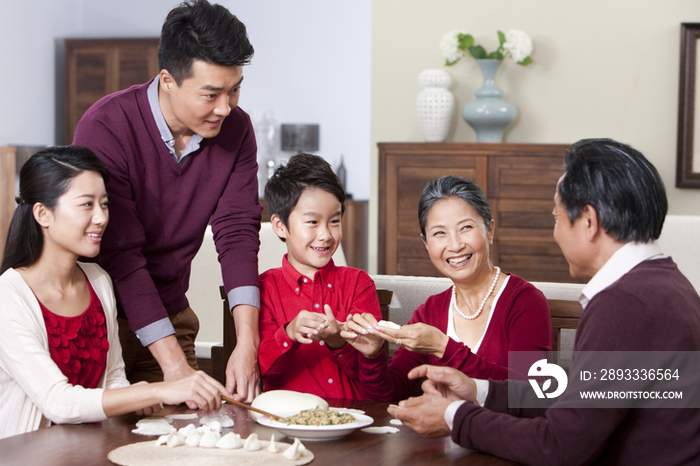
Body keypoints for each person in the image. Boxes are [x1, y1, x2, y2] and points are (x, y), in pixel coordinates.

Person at [388, 139, 700, 465]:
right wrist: (481, 392)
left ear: (589, 222)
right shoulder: (666, 286)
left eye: (557, 218)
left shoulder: (623, 305)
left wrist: (455, 416)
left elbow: (560, 446)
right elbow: (582, 400)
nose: (556, 233)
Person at [72, 0, 262, 401]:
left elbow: (238, 232)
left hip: (173, 317)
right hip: (102, 324)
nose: (225, 108)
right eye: (211, 94)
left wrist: (247, 342)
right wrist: (174, 368)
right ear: (167, 80)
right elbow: (120, 255)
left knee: (194, 440)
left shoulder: (236, 129)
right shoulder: (106, 126)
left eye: (235, 90)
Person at [0, 146, 227, 439]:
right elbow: (57, 402)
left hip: (88, 452)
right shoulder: (9, 296)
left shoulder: (98, 280)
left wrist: (139, 395)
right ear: (43, 213)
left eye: (104, 204)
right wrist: (161, 388)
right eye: (86, 205)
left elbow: (114, 380)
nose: (101, 218)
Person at [344, 175, 552, 402]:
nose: (455, 245)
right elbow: (388, 396)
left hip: (504, 436)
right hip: (439, 437)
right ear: (426, 243)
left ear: (490, 230)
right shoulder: (430, 312)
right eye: (439, 233)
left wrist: (443, 347)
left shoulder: (524, 301)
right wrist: (372, 355)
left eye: (466, 227)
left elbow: (533, 393)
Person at [258, 153, 385, 399]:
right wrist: (290, 333)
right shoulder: (264, 289)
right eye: (313, 222)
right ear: (280, 226)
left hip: (351, 422)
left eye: (334, 221)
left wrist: (338, 341)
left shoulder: (358, 283)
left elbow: (373, 381)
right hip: (286, 424)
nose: (326, 234)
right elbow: (265, 372)